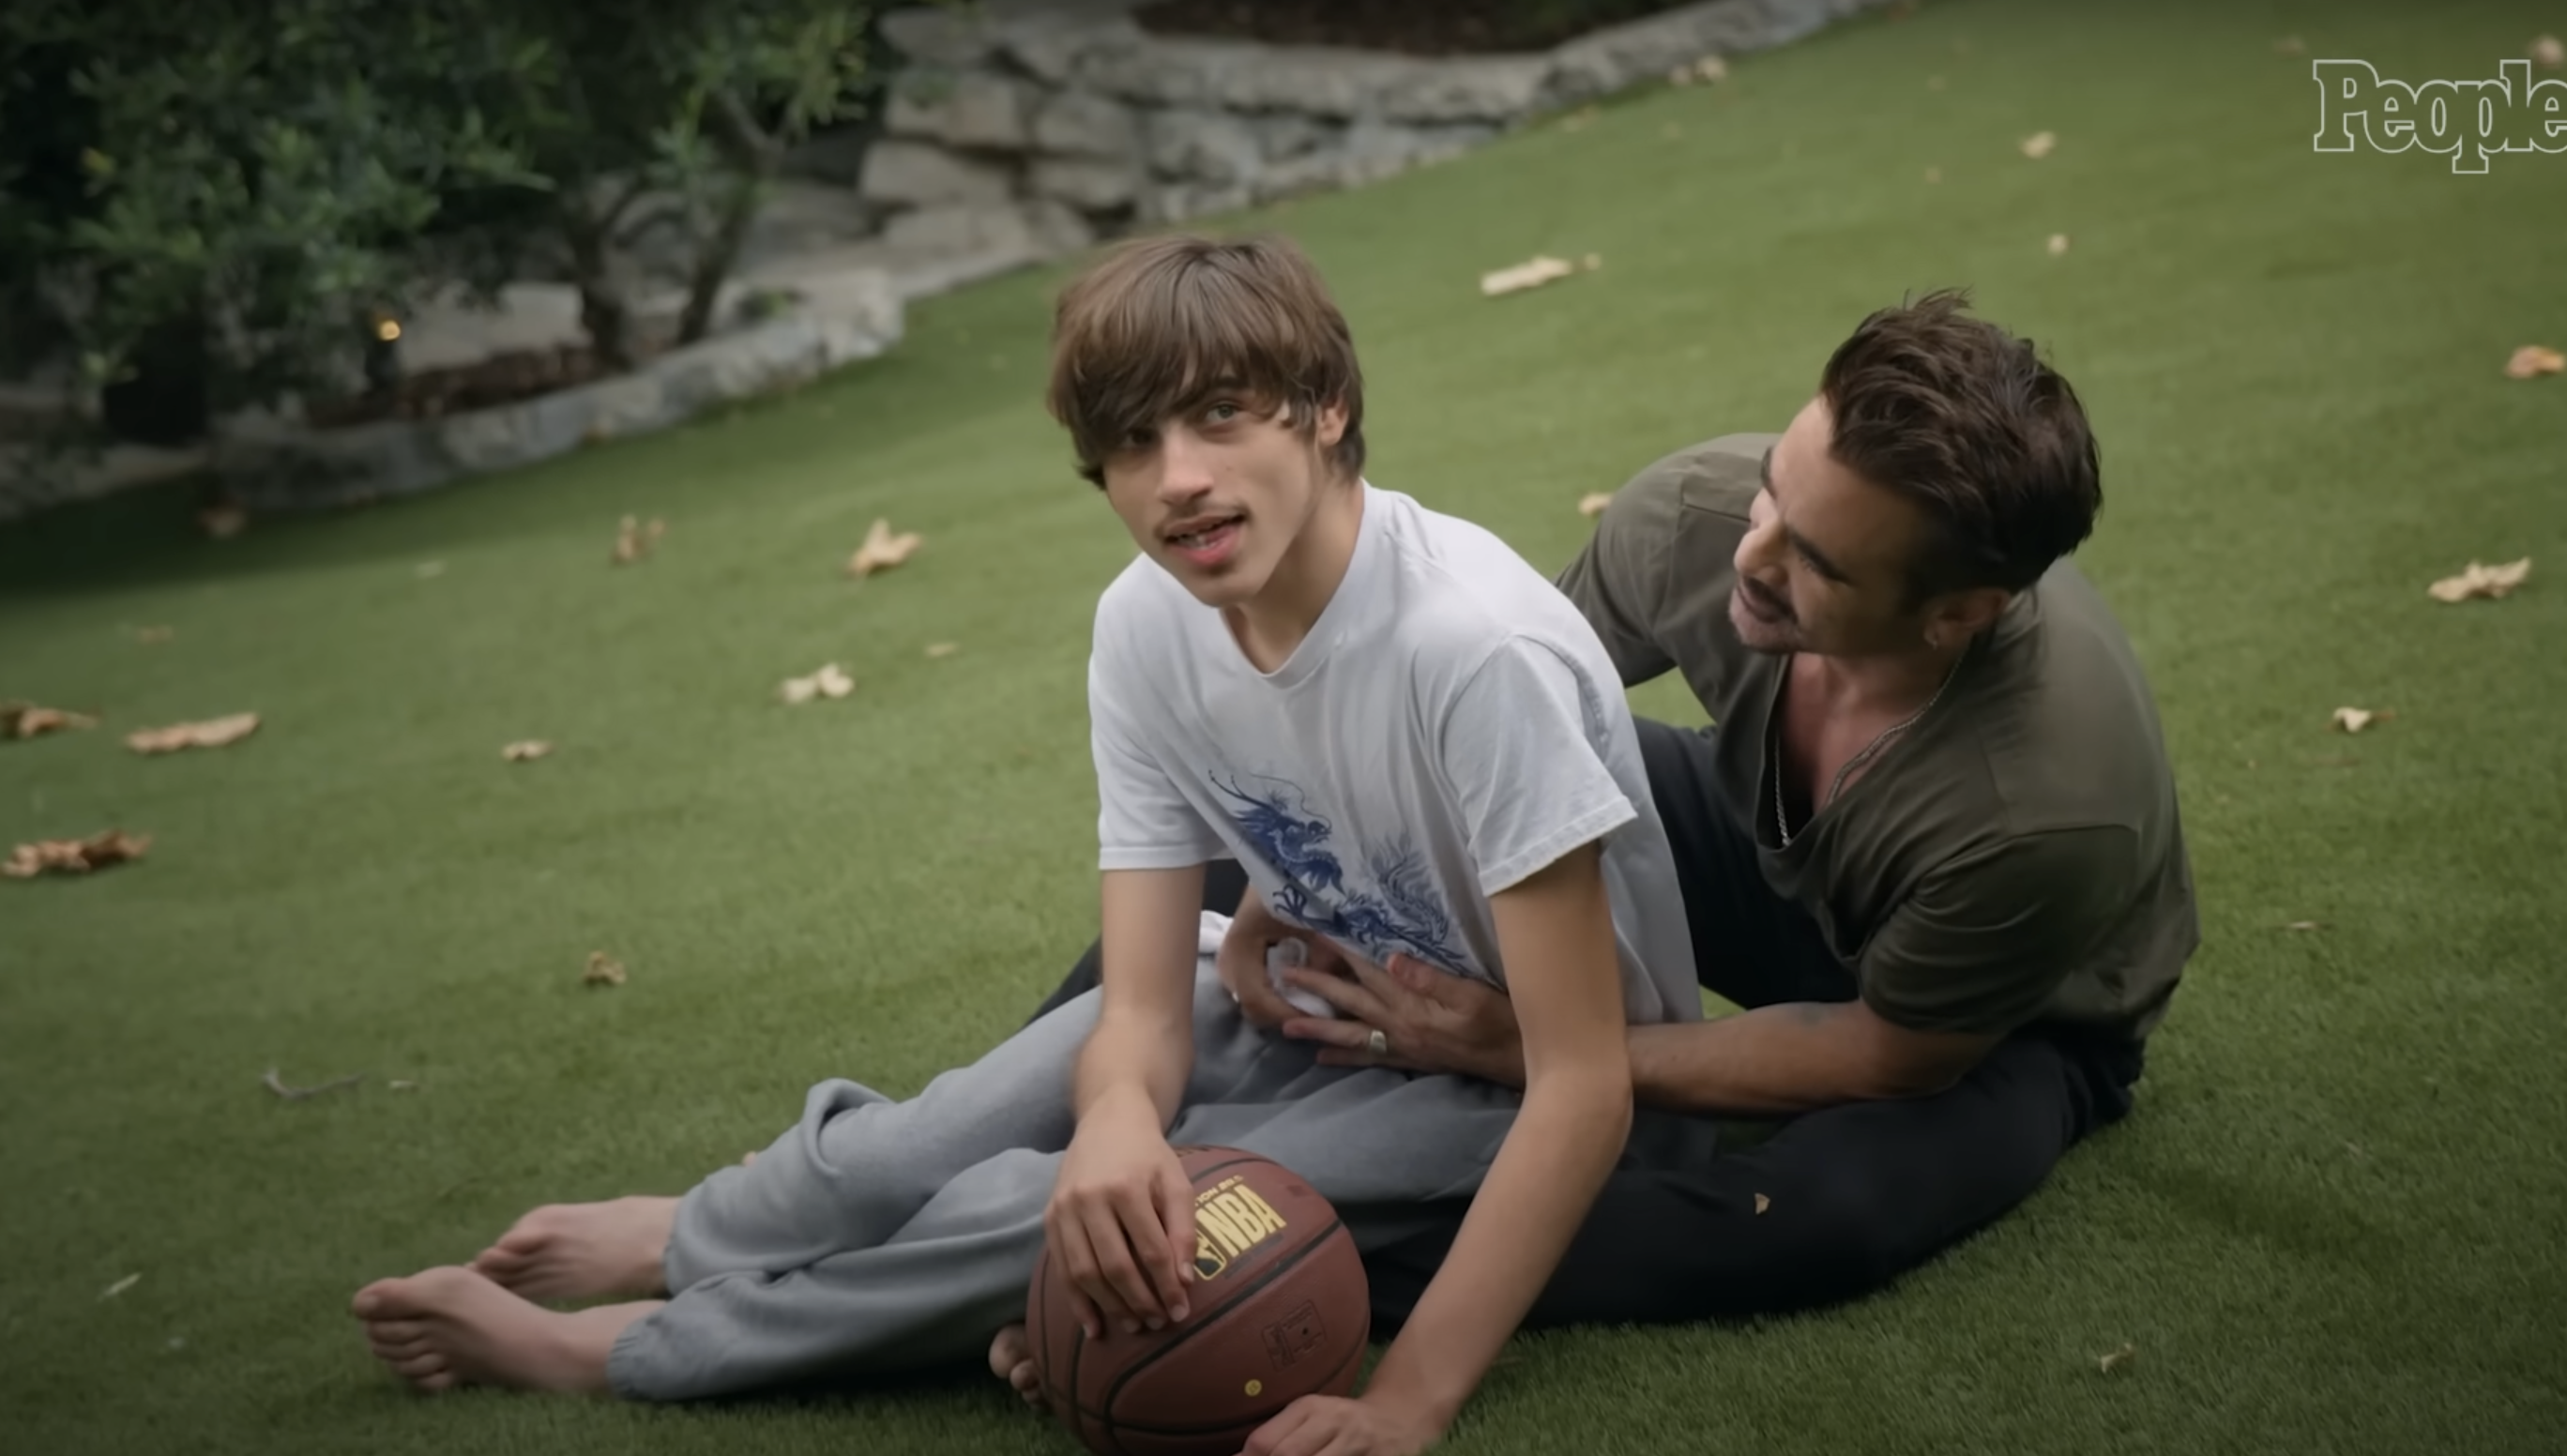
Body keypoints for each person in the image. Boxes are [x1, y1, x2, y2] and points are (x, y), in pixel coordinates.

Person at [349, 233, 1709, 1456]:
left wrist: (1403, 1405)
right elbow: (1136, 995)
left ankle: (630, 1352)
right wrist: (1120, 1109)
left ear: (1326, 407)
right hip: (1299, 996)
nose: (1178, 481)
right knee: (927, 1145)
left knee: (1045, 1214)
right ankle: (697, 1232)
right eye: (1130, 445)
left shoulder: (1471, 653)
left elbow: (1583, 1083)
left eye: (1222, 416)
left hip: (1493, 1080)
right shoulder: (1146, 622)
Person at [1027, 287, 2199, 1330]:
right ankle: (1061, 1125)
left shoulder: (2041, 814)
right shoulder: (1696, 516)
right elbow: (1500, 720)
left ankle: (1254, 1274)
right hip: (1752, 835)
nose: (1753, 555)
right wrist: (1302, 868)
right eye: (1774, 493)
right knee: (1290, 824)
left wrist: (1528, 1051)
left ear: (1956, 613)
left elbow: (1886, 1052)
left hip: (2003, 1018)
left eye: (1818, 565)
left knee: (1812, 1218)